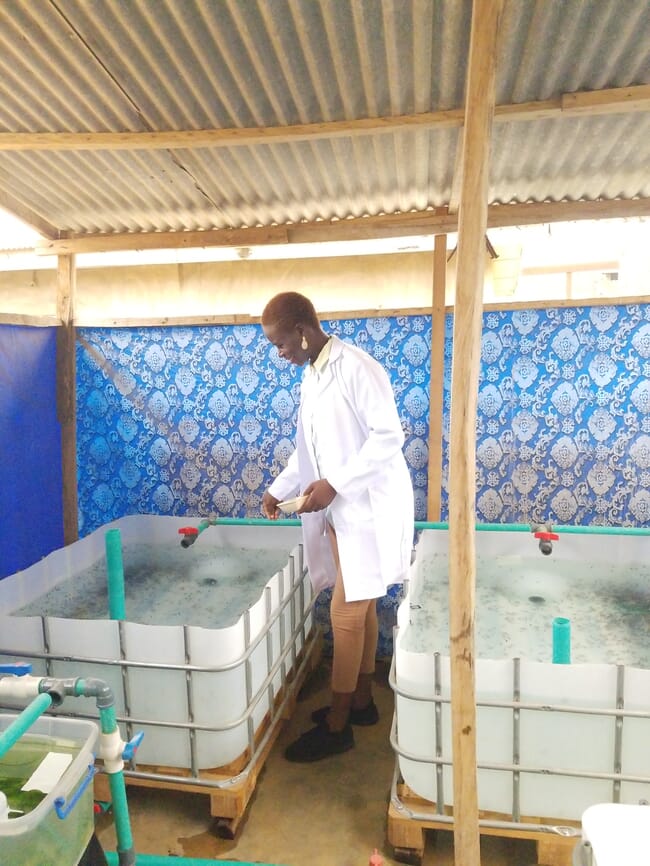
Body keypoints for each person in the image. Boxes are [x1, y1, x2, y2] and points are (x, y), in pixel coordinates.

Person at [261, 291, 414, 762]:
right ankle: (363, 703)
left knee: (345, 615)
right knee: (361, 611)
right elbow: (309, 450)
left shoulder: (355, 367)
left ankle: (338, 722)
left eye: (281, 342)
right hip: (342, 510)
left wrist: (338, 484)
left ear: (303, 332)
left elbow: (390, 435)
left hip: (369, 508)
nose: (278, 351)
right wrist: (279, 487)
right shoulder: (313, 375)